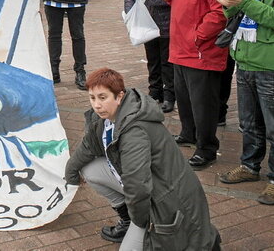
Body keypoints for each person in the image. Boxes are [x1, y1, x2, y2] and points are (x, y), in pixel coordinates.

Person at [65, 68, 220, 250]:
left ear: (119, 97)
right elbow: (88, 146)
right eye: (92, 98)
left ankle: (138, 223)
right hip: (148, 190)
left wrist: (142, 221)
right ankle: (127, 219)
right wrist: (71, 173)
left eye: (102, 97)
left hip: (166, 199)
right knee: (90, 169)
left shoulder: (134, 132)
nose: (97, 105)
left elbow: (137, 186)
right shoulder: (106, 119)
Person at [160, 0, 234, 169]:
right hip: (181, 48)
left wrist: (196, 36)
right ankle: (189, 133)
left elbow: (220, 12)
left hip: (200, 50)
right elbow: (190, 3)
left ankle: (207, 148)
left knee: (203, 104)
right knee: (185, 98)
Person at [211, 0, 274, 206]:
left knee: (272, 126)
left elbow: (270, 17)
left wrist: (243, 2)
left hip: (268, 65)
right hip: (245, 60)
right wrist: (228, 4)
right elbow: (239, 15)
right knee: (249, 123)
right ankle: (250, 166)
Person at [124, 0, 178, 112]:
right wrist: (130, 13)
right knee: (152, 60)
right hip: (145, 22)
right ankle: (155, 93)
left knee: (166, 62)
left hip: (164, 22)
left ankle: (169, 95)